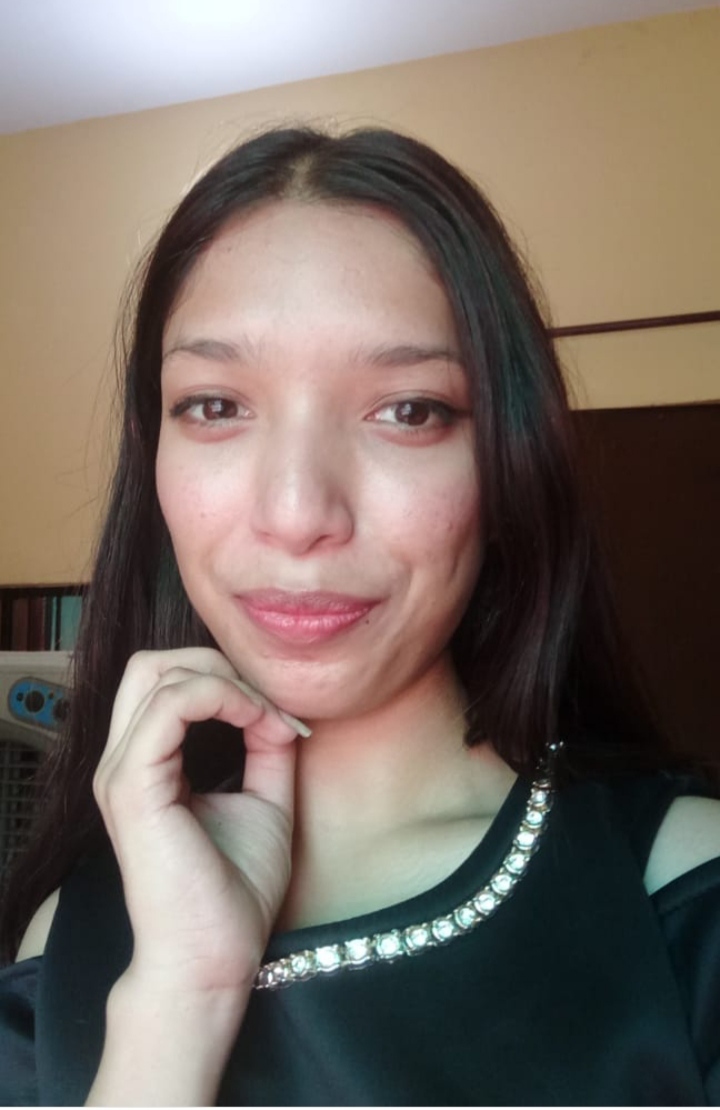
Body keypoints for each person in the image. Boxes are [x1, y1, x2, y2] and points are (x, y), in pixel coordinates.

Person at [0, 124, 719, 1107]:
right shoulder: (62, 947)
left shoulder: (684, 904)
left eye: (409, 410)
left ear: (507, 462)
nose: (298, 513)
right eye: (215, 406)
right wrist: (176, 1002)